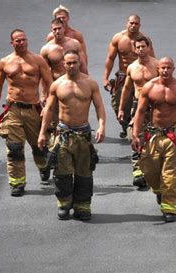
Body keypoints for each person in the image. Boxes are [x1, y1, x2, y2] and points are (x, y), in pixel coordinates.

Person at [38, 50, 106, 220]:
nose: (71, 66)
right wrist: (42, 133)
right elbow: (49, 110)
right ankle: (64, 204)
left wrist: (101, 126)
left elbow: (99, 107)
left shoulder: (90, 83)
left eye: (74, 62)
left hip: (83, 135)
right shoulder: (57, 85)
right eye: (68, 63)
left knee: (84, 173)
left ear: (80, 63)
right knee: (63, 174)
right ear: (63, 64)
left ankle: (82, 206)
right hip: (63, 134)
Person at [131, 57, 176, 222]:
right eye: (163, 68)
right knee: (149, 169)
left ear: (173, 69)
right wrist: (135, 135)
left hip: (173, 132)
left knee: (171, 172)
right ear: (158, 69)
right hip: (153, 132)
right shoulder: (149, 87)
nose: (165, 70)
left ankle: (170, 208)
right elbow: (139, 112)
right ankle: (160, 191)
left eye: (169, 68)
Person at [0, 29, 53, 196]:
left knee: (39, 146)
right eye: (18, 40)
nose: (21, 43)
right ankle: (17, 183)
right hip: (12, 109)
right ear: (12, 43)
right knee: (14, 148)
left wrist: (49, 106)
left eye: (24, 40)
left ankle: (43, 166)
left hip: (33, 109)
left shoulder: (38, 60)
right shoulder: (5, 62)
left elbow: (49, 84)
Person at [103, 14, 155, 138]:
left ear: (139, 25)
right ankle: (126, 125)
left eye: (136, 23)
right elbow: (110, 58)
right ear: (127, 23)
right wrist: (105, 77)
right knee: (118, 105)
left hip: (139, 76)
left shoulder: (144, 40)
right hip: (123, 75)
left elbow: (152, 59)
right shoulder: (118, 38)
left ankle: (136, 127)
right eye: (131, 23)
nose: (133, 25)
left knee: (141, 104)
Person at [117, 35, 159, 191]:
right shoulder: (132, 67)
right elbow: (127, 88)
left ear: (148, 47)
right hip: (137, 105)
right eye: (138, 47)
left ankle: (152, 167)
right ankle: (138, 171)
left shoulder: (157, 65)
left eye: (143, 46)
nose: (141, 49)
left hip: (154, 106)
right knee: (134, 136)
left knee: (155, 137)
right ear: (134, 49)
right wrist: (121, 108)